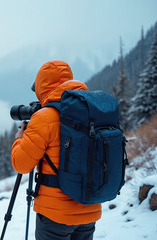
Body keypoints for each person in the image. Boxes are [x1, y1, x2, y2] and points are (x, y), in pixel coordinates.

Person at [11, 60, 101, 240]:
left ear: (42, 86)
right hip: (89, 208)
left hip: (55, 215)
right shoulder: (93, 111)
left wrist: (19, 140)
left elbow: (21, 165)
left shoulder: (44, 118)